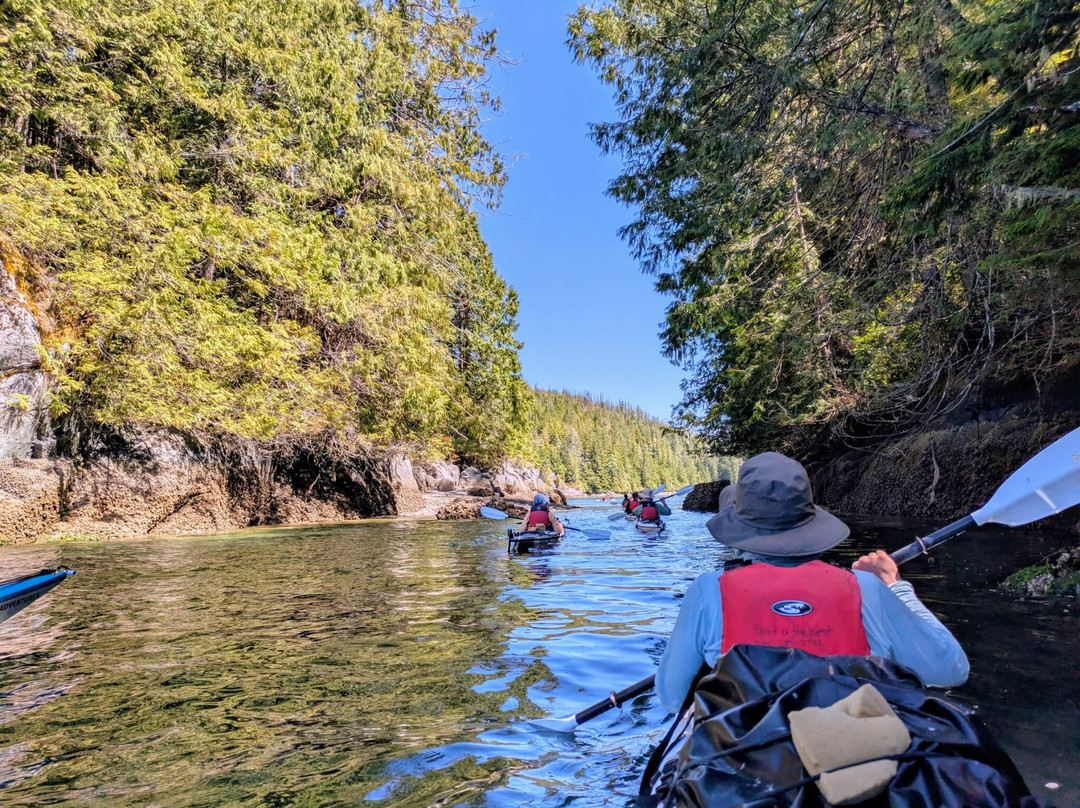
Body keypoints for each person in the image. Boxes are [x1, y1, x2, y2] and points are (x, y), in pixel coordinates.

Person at [655, 452, 969, 714]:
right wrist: (894, 586)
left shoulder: (708, 591)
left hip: (749, 768)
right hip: (849, 769)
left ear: (739, 528)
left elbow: (671, 699)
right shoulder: (866, 587)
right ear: (809, 519)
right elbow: (951, 670)